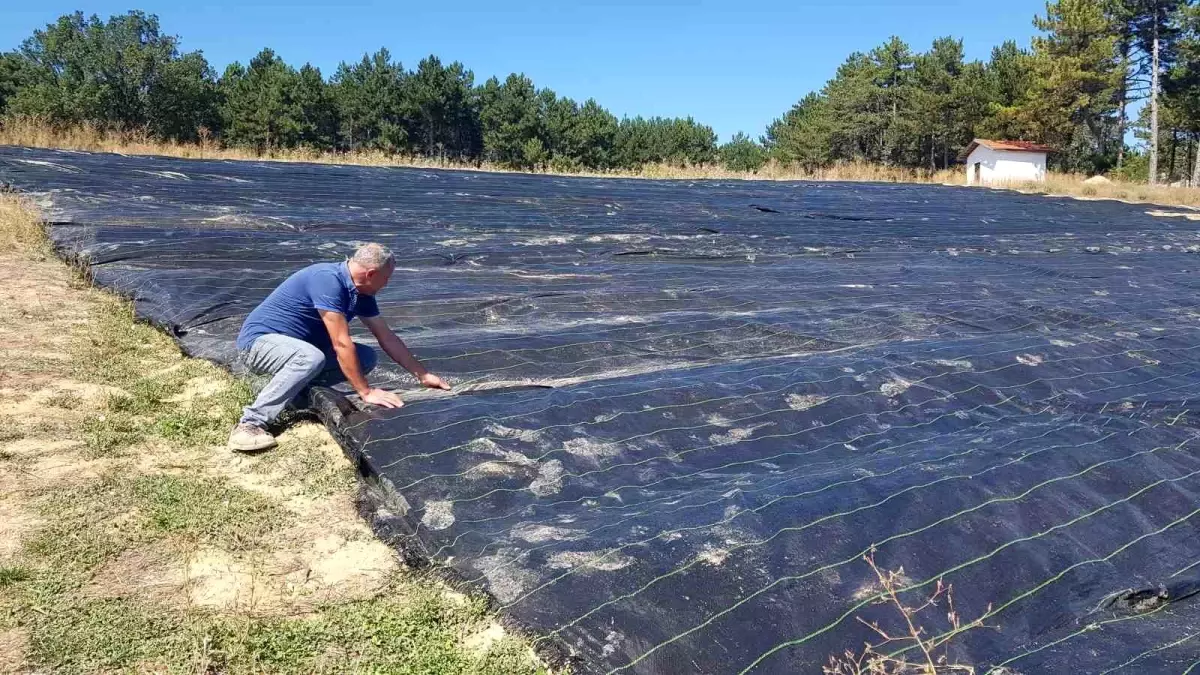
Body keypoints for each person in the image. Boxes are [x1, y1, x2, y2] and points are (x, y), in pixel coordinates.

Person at [227, 243, 450, 452]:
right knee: (311, 357)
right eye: (386, 278)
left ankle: (291, 394)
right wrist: (366, 391)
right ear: (371, 274)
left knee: (365, 357)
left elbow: (386, 336)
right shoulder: (327, 280)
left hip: (298, 350)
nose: (387, 284)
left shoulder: (362, 294)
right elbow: (341, 342)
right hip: (260, 344)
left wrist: (422, 375)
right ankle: (250, 424)